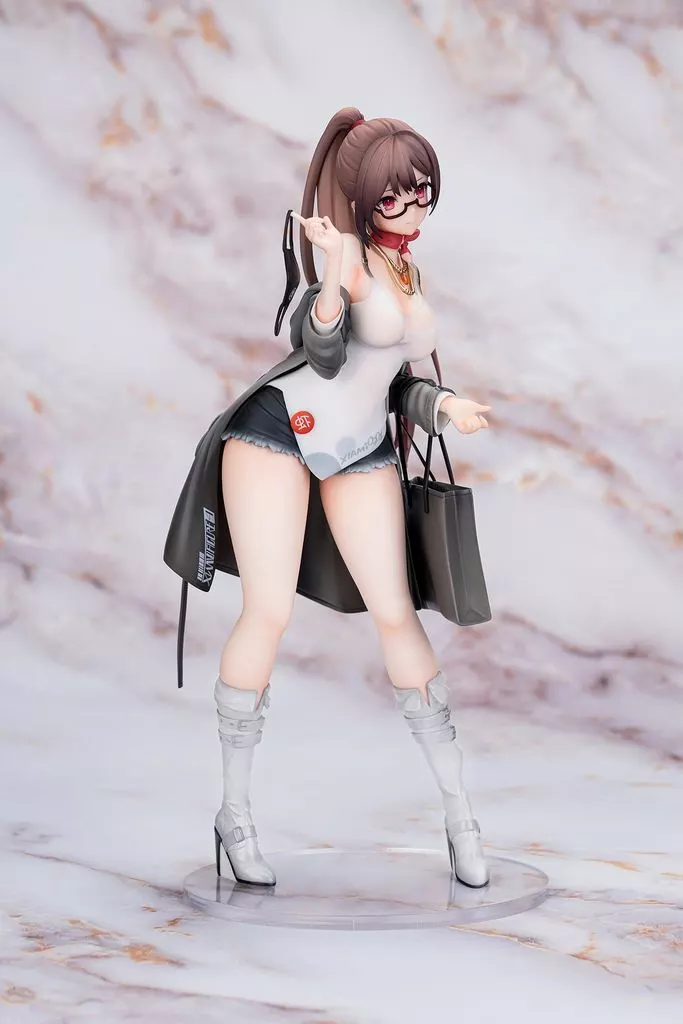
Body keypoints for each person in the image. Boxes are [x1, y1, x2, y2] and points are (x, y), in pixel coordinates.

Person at [164, 108, 492, 890]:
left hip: (359, 446)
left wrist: (442, 406)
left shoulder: (405, 269)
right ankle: (234, 814)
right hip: (276, 433)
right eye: (395, 195)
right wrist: (333, 283)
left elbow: (391, 383)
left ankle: (460, 816)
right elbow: (318, 352)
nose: (412, 206)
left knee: (396, 613)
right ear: (366, 198)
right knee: (267, 611)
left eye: (421, 190)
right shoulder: (344, 261)